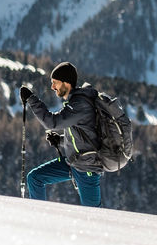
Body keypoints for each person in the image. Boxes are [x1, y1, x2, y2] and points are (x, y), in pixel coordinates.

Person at [19, 62, 102, 207]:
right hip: (73, 163)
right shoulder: (75, 103)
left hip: (87, 168)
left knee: (95, 215)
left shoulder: (79, 105)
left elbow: (53, 122)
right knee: (34, 178)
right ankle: (38, 218)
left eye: (55, 83)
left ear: (66, 83)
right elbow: (83, 136)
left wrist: (32, 100)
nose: (52, 87)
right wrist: (61, 140)